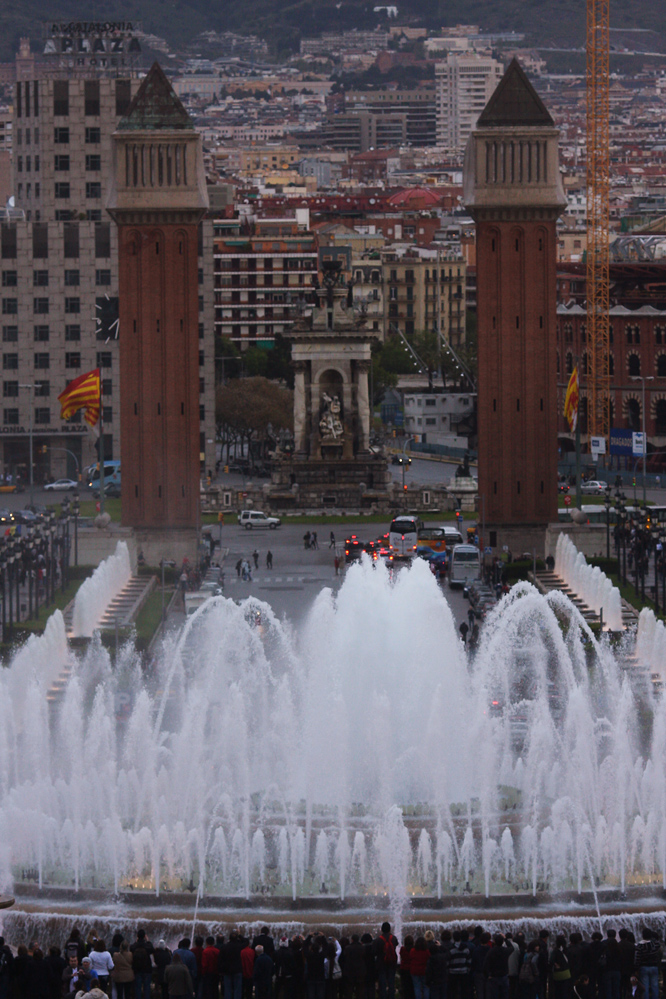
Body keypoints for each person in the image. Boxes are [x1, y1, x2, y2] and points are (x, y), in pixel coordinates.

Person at [635, 928, 661, 999]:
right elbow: (658, 947)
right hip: (654, 966)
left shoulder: (640, 945)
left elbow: (638, 958)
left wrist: (636, 968)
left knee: (645, 986)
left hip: (644, 967)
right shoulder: (655, 944)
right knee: (655, 986)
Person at [220, 930, 244, 999]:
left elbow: (221, 959)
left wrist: (221, 970)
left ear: (229, 938)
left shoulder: (224, 947)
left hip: (227, 970)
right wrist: (240, 935)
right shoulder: (239, 946)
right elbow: (246, 942)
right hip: (237, 970)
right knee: (237, 989)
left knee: (227, 989)